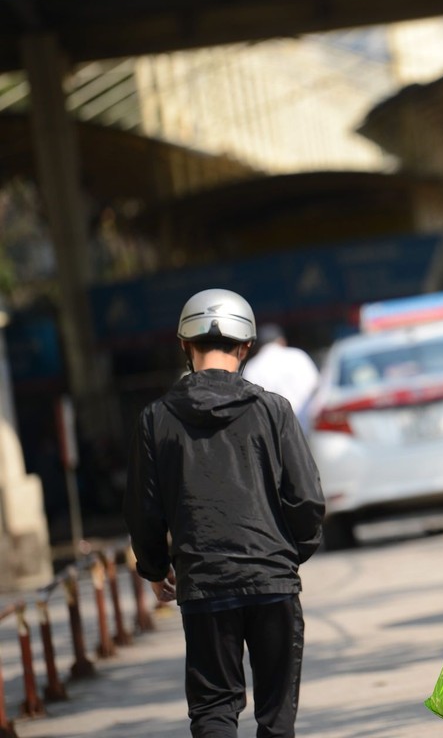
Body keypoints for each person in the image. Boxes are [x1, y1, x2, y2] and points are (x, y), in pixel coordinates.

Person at [123, 288, 325, 738]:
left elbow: (144, 508)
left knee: (214, 710)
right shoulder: (274, 410)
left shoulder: (155, 419)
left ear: (183, 344)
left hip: (204, 585)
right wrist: (290, 554)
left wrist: (155, 567)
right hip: (273, 581)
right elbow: (307, 499)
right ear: (246, 346)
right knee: (276, 717)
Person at [241, 322, 321, 420]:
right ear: (282, 341)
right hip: (305, 424)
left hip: (271, 428)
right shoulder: (298, 356)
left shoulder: (252, 367)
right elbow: (317, 387)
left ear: (259, 345)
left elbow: (251, 405)